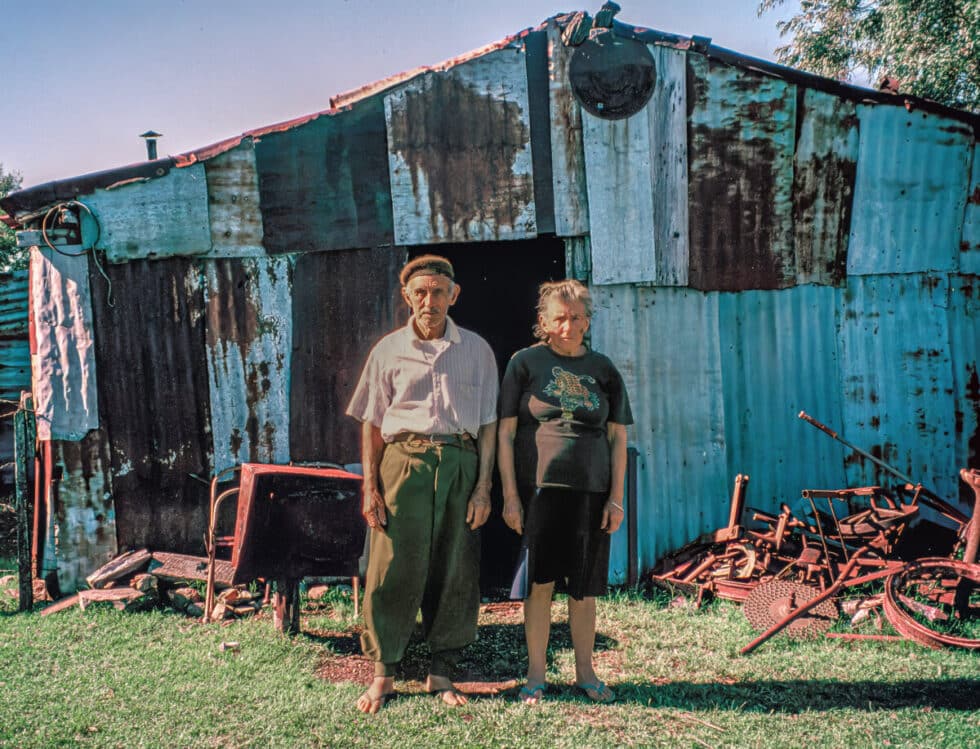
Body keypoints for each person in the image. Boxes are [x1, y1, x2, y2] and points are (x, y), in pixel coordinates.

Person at [346, 254, 498, 714]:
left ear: (454, 296)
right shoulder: (388, 351)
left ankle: (441, 671)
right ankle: (383, 673)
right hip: (403, 462)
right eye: (420, 292)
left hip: (459, 462)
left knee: (455, 565)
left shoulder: (477, 350)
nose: (428, 301)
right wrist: (369, 487)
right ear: (407, 297)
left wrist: (483, 487)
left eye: (438, 292)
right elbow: (372, 423)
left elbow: (489, 424)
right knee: (390, 565)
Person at [497, 279, 632, 705]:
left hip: (591, 493)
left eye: (576, 317)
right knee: (540, 583)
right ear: (543, 322)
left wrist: (616, 498)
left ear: (587, 321)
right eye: (559, 317)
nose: (568, 325)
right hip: (539, 491)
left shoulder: (604, 369)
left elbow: (617, 440)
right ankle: (536, 676)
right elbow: (504, 435)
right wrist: (510, 497)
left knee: (583, 587)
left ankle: (586, 674)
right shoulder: (525, 364)